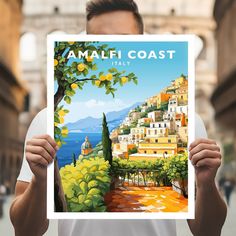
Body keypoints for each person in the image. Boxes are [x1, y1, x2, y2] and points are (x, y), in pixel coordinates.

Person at [10, 1, 227, 236]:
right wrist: (40, 182)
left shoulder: (190, 121)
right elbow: (25, 231)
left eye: (123, 39)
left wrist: (205, 184)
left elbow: (208, 231)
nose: (113, 49)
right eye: (101, 41)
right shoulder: (45, 121)